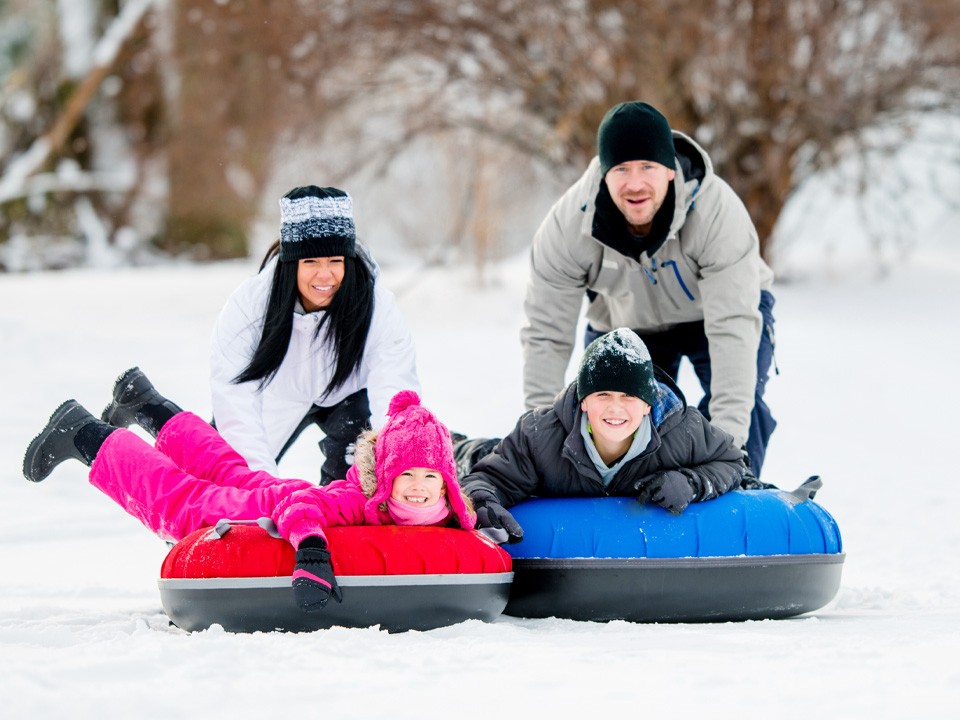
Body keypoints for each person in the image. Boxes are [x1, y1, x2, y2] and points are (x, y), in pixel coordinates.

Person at [22, 369, 474, 611]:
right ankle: (83, 433)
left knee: (226, 469)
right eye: (406, 477)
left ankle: (146, 403)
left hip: (275, 488)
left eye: (429, 478)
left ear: (446, 484)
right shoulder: (361, 502)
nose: (417, 490)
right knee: (185, 505)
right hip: (277, 505)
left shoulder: (448, 510)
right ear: (387, 476)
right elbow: (303, 506)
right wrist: (313, 552)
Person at [521, 101, 777, 475]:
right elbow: (546, 333)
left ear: (671, 170)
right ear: (603, 174)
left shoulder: (717, 213)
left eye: (648, 167)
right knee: (620, 419)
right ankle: (632, 507)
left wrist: (726, 454)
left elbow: (733, 328)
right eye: (621, 169)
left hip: (718, 317)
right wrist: (539, 437)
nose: (635, 183)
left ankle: (735, 492)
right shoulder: (567, 227)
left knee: (740, 410)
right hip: (627, 322)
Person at [456, 328, 748, 544]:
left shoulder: (683, 430)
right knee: (480, 454)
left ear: (648, 403)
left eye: (629, 396)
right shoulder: (539, 435)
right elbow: (488, 480)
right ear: (584, 400)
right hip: (521, 459)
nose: (616, 408)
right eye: (603, 394)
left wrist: (690, 483)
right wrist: (483, 503)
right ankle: (456, 444)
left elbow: (734, 463)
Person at [210, 185, 419, 485]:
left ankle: (340, 511)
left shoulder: (374, 303)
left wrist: (398, 464)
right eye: (311, 262)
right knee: (219, 480)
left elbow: (395, 387)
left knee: (356, 484)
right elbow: (234, 396)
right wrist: (261, 490)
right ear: (292, 263)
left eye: (335, 261)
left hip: (346, 394)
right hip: (275, 396)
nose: (325, 275)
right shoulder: (250, 304)